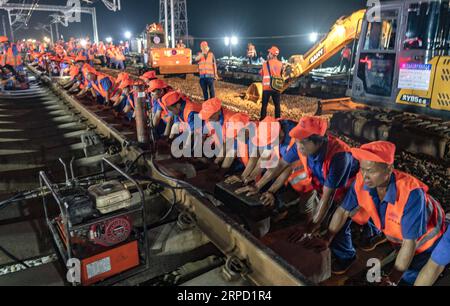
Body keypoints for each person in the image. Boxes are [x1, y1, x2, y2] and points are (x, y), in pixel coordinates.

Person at [309, 141, 446, 285]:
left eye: (371, 171)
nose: (365, 176)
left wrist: (393, 279)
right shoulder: (363, 181)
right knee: (400, 267)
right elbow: (343, 211)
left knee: (409, 277)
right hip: (402, 241)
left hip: (429, 243)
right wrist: (327, 238)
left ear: (389, 169)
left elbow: (409, 244)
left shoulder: (411, 194)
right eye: (363, 169)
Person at [260, 46, 283, 120]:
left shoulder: (265, 64)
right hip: (276, 87)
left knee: (264, 106)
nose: (268, 54)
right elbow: (281, 74)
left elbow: (261, 73)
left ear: (272, 54)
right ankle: (278, 121)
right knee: (277, 106)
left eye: (269, 53)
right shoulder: (281, 64)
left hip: (266, 88)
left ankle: (262, 121)